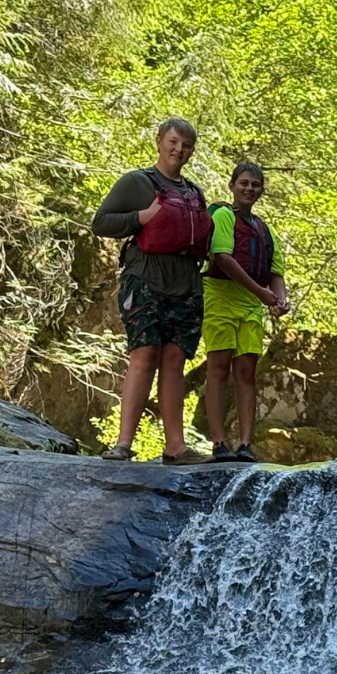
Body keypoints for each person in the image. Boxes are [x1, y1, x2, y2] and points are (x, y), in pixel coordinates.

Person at [92, 118, 214, 465]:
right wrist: (142, 217)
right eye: (173, 142)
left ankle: (175, 447)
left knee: (175, 361)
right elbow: (100, 223)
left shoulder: (193, 192)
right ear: (160, 142)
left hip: (185, 283)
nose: (179, 150)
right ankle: (123, 444)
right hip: (146, 278)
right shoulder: (137, 182)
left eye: (186, 146)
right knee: (144, 356)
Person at [202, 162, 291, 463]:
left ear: (261, 191)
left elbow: (275, 273)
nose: (249, 189)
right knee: (218, 366)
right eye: (243, 183)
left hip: (251, 305)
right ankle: (218, 443)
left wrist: (280, 300)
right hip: (220, 297)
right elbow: (223, 258)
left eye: (255, 185)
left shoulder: (266, 230)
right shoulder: (225, 216)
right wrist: (262, 293)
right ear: (232, 186)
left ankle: (245, 445)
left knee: (246, 373)